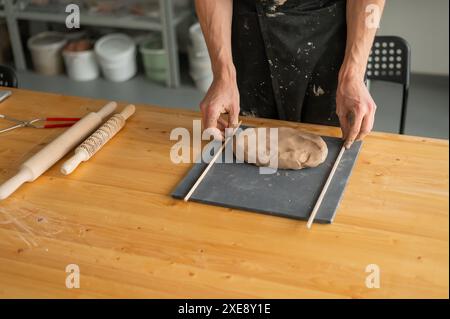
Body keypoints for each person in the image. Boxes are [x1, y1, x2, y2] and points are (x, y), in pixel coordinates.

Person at [195, 0, 385, 149]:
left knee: (336, 154)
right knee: (239, 157)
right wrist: (223, 74)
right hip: (251, 35)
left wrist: (353, 73)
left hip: (330, 41)